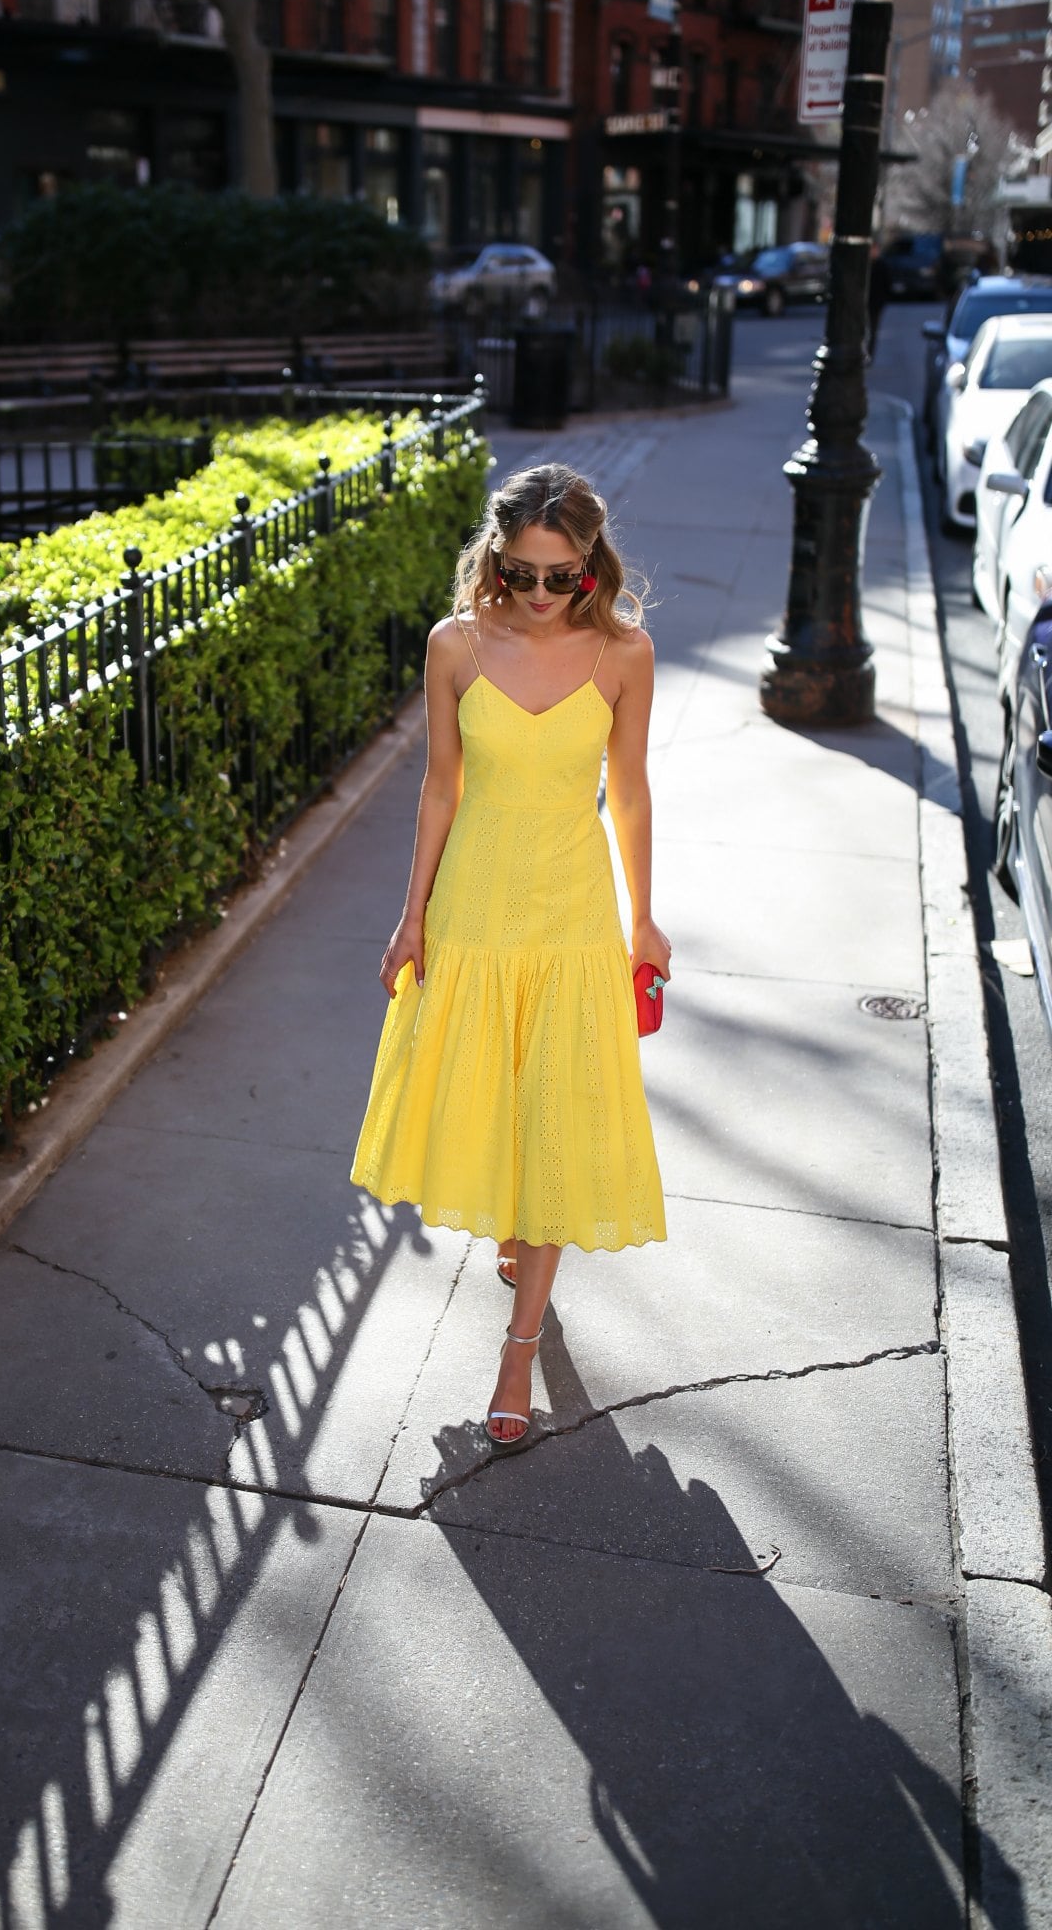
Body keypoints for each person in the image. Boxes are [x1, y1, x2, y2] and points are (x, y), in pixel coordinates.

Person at [350, 464, 669, 1453]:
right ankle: (516, 1232)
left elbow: (631, 794)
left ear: (590, 568)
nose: (538, 596)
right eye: (521, 574)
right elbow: (439, 791)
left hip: (571, 912)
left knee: (556, 1116)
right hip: (477, 906)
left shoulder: (624, 654)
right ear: (495, 559)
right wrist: (412, 918)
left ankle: (519, 1352)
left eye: (560, 578)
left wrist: (645, 921)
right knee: (494, 1092)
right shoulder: (454, 646)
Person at [867, 242, 891, 359]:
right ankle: (862, 352)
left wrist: (883, 300)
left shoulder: (882, 265)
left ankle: (869, 354)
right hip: (864, 303)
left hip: (876, 303)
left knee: (872, 330)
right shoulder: (865, 265)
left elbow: (887, 284)